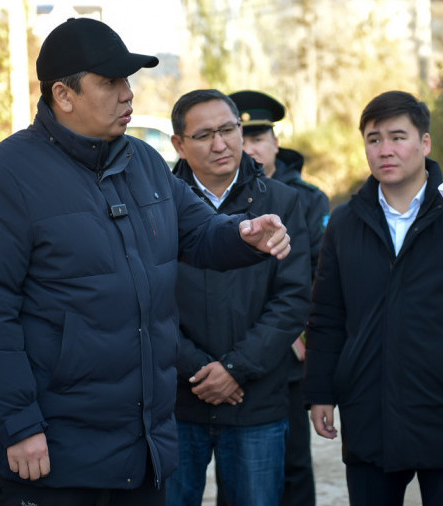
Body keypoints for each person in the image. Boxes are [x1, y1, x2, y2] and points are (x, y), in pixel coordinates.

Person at [0, 19, 293, 506]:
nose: (127, 93)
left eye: (127, 80)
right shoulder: (4, 178)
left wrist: (241, 234)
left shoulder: (143, 161)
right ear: (63, 95)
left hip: (144, 449)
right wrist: (20, 424)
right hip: (56, 455)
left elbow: (198, 231)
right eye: (110, 82)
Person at [304, 91, 443, 506]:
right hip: (370, 408)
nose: (385, 150)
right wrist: (320, 392)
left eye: (398, 137)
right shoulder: (345, 223)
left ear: (425, 143)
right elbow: (327, 314)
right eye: (374, 139)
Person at [164, 89, 311, 506]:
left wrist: (234, 369)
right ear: (179, 144)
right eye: (204, 135)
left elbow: (292, 298)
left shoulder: (281, 201)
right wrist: (196, 369)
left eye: (228, 130)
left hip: (255, 400)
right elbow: (147, 300)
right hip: (177, 399)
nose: (220, 144)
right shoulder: (157, 205)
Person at [227, 89, 328, 506]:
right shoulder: (218, 198)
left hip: (287, 350)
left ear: (275, 142)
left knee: (292, 462)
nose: (250, 148)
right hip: (230, 346)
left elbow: (319, 273)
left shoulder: (307, 199)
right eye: (242, 138)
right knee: (237, 469)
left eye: (258, 138)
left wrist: (297, 334)